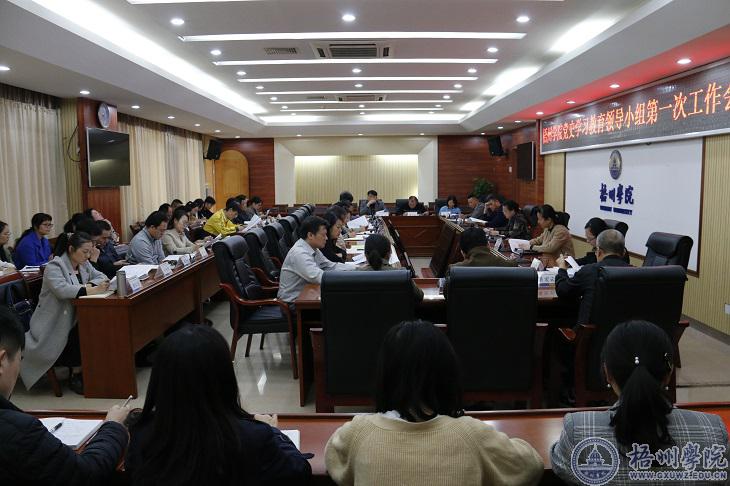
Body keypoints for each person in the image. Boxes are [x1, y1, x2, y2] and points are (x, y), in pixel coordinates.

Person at [325, 320, 544, 486]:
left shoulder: (358, 431)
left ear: (385, 375)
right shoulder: (471, 434)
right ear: (448, 374)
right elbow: (531, 466)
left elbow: (333, 461)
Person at [126, 325, 311, 485]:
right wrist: (274, 432)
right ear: (224, 379)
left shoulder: (141, 435)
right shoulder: (253, 437)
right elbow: (300, 471)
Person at [551, 320, 730, 485]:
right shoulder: (714, 432)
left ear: (607, 373)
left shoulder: (578, 432)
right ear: (669, 374)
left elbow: (557, 467)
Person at [0, 307, 131, 483]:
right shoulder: (20, 432)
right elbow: (86, 474)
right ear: (2, 361)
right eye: (20, 359)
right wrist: (113, 426)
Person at [20, 232, 110, 393]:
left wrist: (89, 286)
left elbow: (102, 276)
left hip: (75, 316)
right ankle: (76, 374)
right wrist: (91, 290)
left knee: (94, 324)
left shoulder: (84, 264)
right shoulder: (55, 266)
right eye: (85, 251)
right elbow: (62, 290)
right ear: (71, 249)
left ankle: (94, 368)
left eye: (90, 252)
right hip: (52, 324)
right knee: (80, 330)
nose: (88, 256)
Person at [555, 229, 631, 325]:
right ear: (623, 253)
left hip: (588, 333)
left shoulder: (590, 270)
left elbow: (563, 290)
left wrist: (562, 269)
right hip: (624, 331)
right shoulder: (635, 273)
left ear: (599, 252)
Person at [277, 216, 353, 304]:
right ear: (310, 235)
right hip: (293, 303)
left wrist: (357, 269)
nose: (326, 238)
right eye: (323, 235)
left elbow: (330, 266)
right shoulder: (299, 253)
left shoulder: (313, 248)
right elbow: (319, 278)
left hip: (308, 295)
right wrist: (348, 279)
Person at [358, 234, 423, 302]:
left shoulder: (354, 275)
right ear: (389, 253)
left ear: (365, 254)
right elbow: (419, 296)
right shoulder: (402, 275)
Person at [449, 228, 517, 272]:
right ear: (488, 245)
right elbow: (513, 264)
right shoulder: (508, 266)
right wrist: (513, 260)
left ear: (462, 252)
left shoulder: (453, 270)